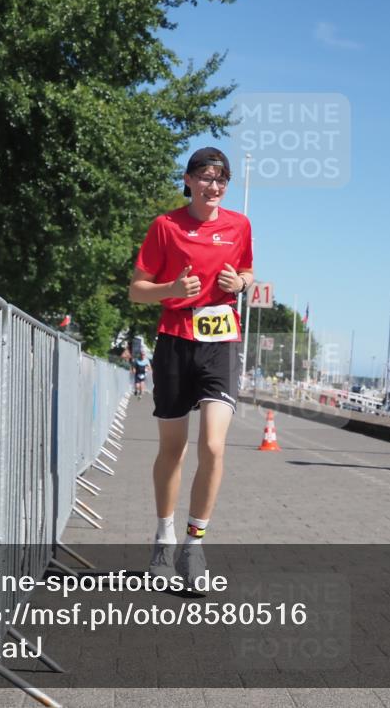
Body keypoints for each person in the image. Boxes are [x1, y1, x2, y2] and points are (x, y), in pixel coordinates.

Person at [129, 146, 253, 585]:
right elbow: (137, 291)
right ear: (187, 180)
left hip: (221, 342)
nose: (213, 186)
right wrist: (171, 288)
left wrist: (240, 282)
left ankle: (193, 546)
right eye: (205, 177)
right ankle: (163, 537)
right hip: (175, 342)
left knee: (215, 447)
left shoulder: (240, 225)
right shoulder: (165, 226)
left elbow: (248, 273)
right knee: (173, 448)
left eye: (221, 180)